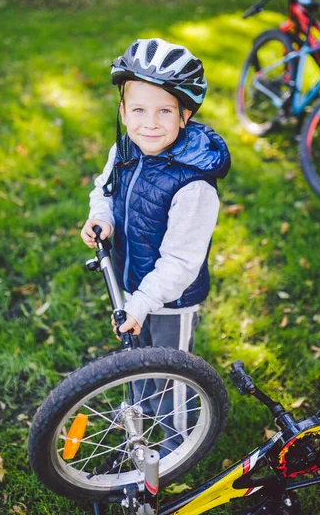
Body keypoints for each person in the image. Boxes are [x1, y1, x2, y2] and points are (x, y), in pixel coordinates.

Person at [81, 38, 231, 455]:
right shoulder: (126, 146)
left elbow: (182, 261)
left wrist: (144, 300)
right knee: (137, 352)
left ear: (185, 115)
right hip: (135, 280)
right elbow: (105, 190)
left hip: (171, 295)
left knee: (172, 370)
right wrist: (102, 219)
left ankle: (176, 444)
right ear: (123, 111)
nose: (149, 123)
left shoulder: (194, 186)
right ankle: (138, 407)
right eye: (139, 110)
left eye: (164, 111)